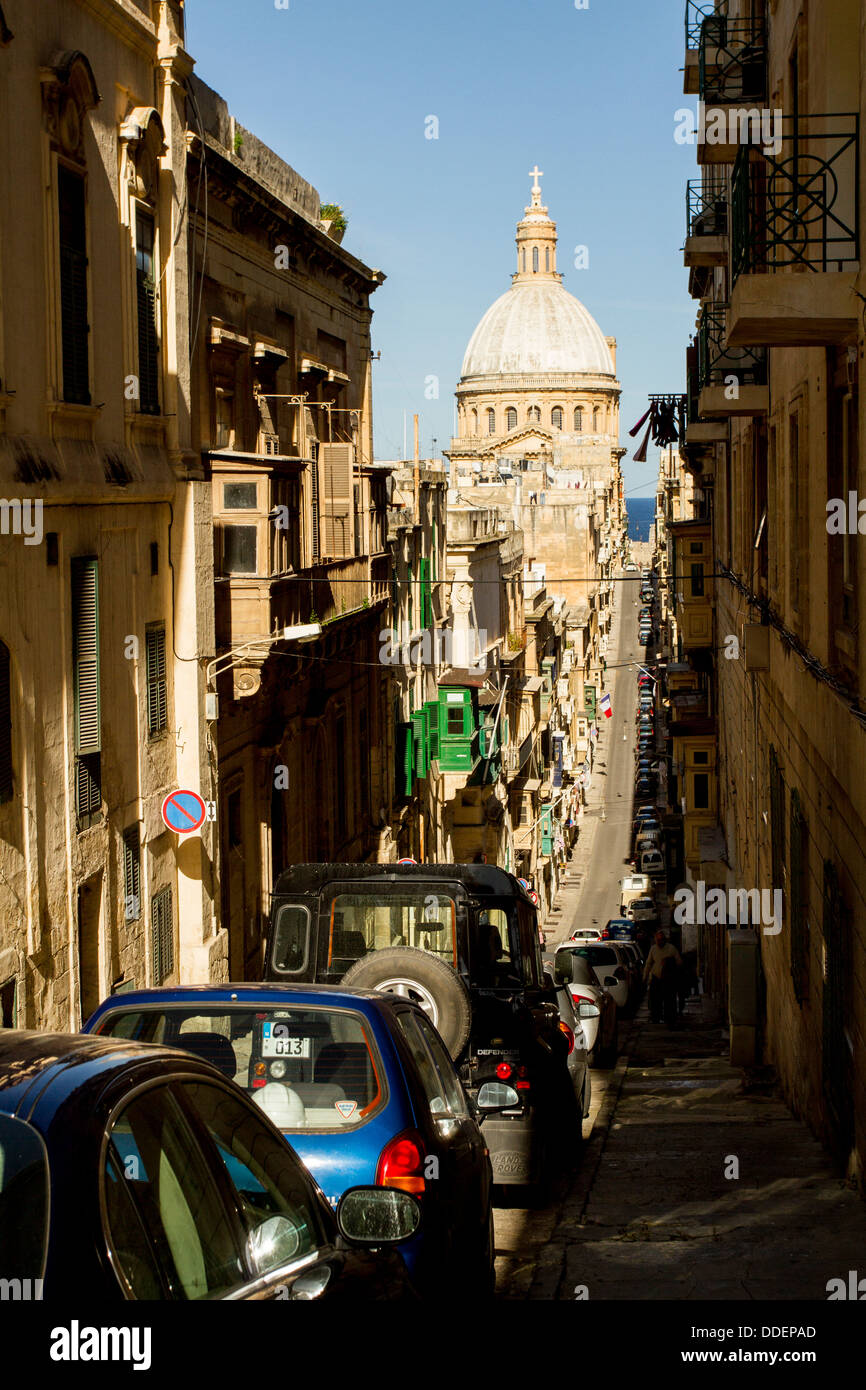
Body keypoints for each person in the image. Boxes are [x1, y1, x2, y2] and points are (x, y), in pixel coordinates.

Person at [642, 930, 682, 1025]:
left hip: (668, 979)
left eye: (661, 940)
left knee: (669, 1000)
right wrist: (645, 977)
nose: (659, 942)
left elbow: (679, 962)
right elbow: (648, 963)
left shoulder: (671, 949)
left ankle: (669, 1019)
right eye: (658, 940)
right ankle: (656, 1018)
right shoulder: (653, 949)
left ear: (665, 940)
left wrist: (669, 962)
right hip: (656, 978)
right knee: (655, 1001)